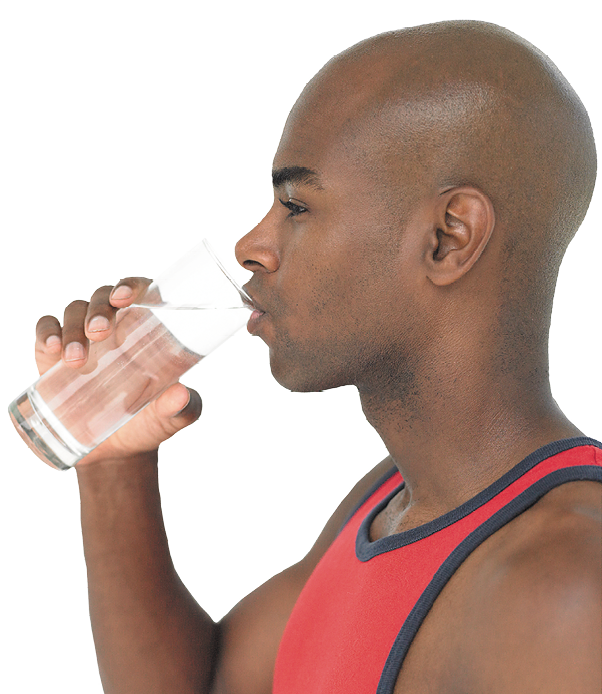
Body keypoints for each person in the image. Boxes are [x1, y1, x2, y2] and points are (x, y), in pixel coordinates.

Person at [33, 19, 600, 694]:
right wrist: (113, 465)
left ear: (448, 239)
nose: (252, 245)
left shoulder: (567, 586)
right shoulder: (387, 503)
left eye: (296, 205)